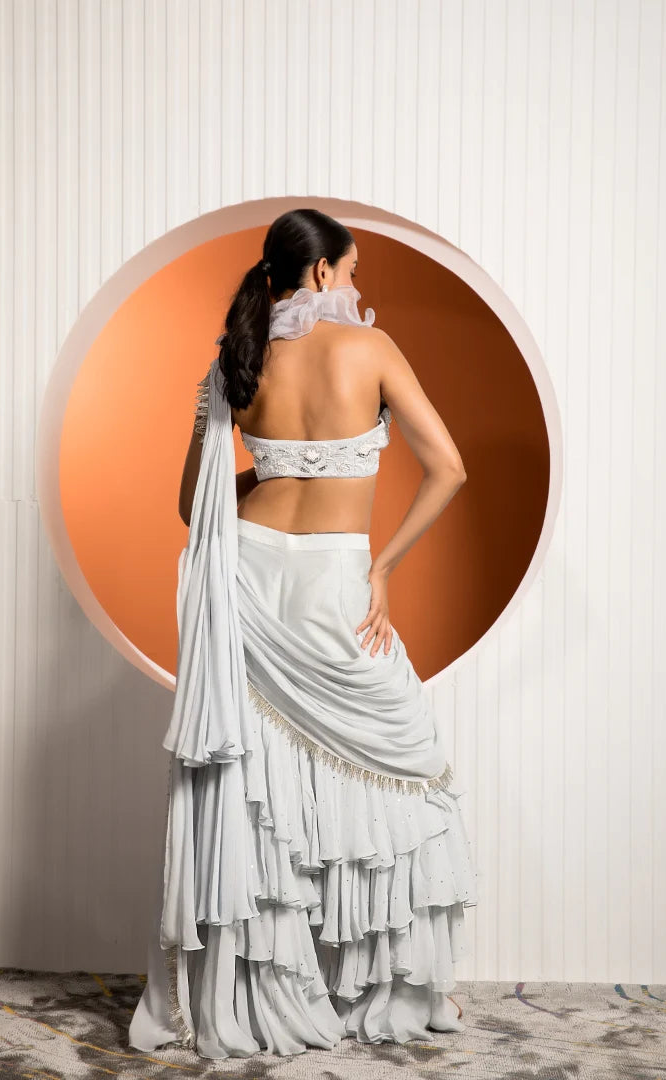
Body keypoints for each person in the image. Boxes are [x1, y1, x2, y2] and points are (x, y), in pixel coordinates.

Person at [128, 208, 478, 1060]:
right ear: (323, 273)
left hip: (250, 576)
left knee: (261, 778)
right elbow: (450, 467)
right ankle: (373, 983)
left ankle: (262, 988)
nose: (355, 288)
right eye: (352, 272)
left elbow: (196, 507)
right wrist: (384, 567)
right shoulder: (371, 348)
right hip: (332, 579)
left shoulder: (236, 359)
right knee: (398, 765)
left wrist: (274, 465)